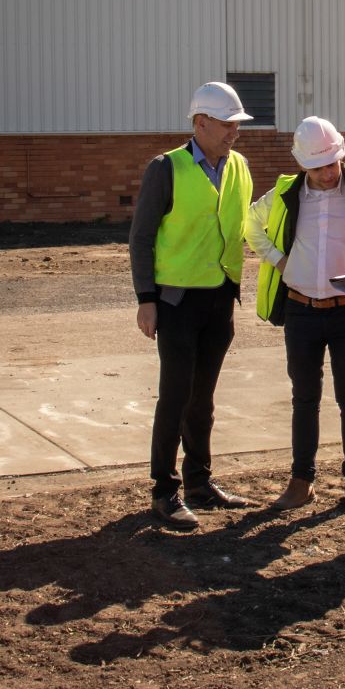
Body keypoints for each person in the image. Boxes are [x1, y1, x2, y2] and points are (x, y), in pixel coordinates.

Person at [246, 116, 345, 515]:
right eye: (318, 167)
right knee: (304, 398)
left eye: (333, 163)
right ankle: (301, 482)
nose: (329, 173)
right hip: (302, 312)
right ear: (302, 165)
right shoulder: (286, 194)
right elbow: (251, 223)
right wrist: (279, 261)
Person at [129, 81, 258, 529]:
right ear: (200, 122)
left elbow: (245, 225)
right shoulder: (166, 168)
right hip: (177, 302)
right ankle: (164, 492)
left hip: (221, 299)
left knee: (202, 400)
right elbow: (142, 237)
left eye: (237, 125)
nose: (234, 133)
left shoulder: (239, 167)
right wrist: (146, 299)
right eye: (227, 124)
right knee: (175, 396)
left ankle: (199, 484)